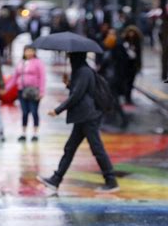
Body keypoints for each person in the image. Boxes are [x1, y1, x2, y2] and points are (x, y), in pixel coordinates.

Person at [38, 52, 119, 193]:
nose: (69, 60)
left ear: (76, 57)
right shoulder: (82, 70)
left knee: (96, 148)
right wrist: (69, 84)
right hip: (83, 117)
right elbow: (81, 91)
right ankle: (55, 179)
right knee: (70, 148)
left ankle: (111, 181)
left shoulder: (83, 72)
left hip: (88, 116)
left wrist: (58, 110)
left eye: (70, 57)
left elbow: (77, 96)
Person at [12, 45, 46, 141]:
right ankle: (23, 132)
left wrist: (41, 91)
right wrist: (5, 88)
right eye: (27, 51)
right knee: (25, 112)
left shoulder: (38, 63)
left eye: (31, 51)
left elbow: (42, 77)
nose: (29, 53)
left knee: (34, 111)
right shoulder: (21, 63)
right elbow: (15, 77)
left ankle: (35, 133)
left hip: (34, 91)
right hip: (22, 90)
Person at [122, 25, 143, 104]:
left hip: (133, 65)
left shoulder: (137, 43)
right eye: (130, 32)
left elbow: (139, 55)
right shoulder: (124, 41)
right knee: (126, 81)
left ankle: (128, 96)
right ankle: (126, 96)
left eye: (133, 33)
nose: (131, 34)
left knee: (131, 81)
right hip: (125, 65)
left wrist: (139, 66)